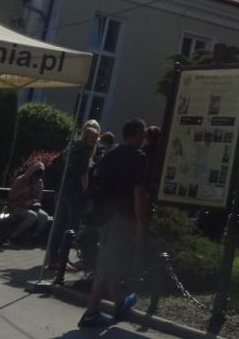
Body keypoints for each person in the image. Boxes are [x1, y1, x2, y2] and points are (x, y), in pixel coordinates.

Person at [79, 119, 148, 330]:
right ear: (134, 134)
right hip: (123, 218)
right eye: (142, 133)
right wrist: (141, 223)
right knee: (108, 265)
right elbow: (138, 193)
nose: (144, 137)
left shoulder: (111, 153)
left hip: (104, 216)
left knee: (113, 261)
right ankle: (90, 312)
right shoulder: (137, 157)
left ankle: (119, 304)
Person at [46, 119, 100, 270]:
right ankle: (62, 260)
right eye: (94, 139)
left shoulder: (71, 147)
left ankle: (53, 258)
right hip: (74, 193)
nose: (95, 142)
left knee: (59, 225)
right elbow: (84, 177)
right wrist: (85, 193)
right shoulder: (84, 151)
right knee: (70, 228)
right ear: (90, 138)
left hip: (61, 190)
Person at [7, 160, 49, 245]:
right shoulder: (20, 180)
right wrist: (22, 192)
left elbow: (39, 198)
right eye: (35, 176)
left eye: (38, 177)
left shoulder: (39, 182)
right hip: (16, 207)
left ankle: (33, 236)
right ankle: (14, 235)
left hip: (31, 206)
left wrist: (33, 201)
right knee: (32, 216)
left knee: (44, 216)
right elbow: (11, 197)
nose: (36, 179)